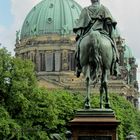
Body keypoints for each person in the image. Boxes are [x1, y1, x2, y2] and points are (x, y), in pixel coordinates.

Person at [73, 0, 119, 77]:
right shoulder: (104, 9)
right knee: (113, 46)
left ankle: (78, 66)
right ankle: (115, 66)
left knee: (78, 46)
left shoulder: (85, 10)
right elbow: (109, 22)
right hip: (102, 32)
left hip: (88, 33)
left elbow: (80, 27)